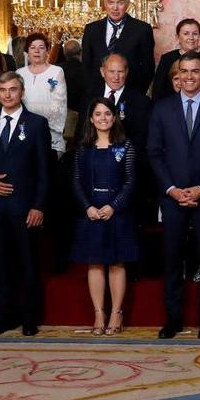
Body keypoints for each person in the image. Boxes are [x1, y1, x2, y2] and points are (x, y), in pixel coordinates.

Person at [148, 52, 200, 340]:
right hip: (172, 197)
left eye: (194, 71)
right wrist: (172, 190)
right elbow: (154, 154)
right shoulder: (161, 109)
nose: (189, 77)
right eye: (184, 72)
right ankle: (173, 320)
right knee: (173, 261)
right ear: (178, 75)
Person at [0, 72, 51, 336]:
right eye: (2, 89)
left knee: (26, 262)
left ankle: (29, 318)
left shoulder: (37, 124)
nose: (7, 94)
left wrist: (39, 206)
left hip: (25, 208)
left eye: (12, 89)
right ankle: (4, 316)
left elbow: (45, 171)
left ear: (21, 91)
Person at [70, 98, 139, 336]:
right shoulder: (82, 147)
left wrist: (114, 205)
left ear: (114, 117)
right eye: (98, 114)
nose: (103, 118)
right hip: (91, 213)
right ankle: (99, 312)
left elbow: (131, 181)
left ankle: (116, 313)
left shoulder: (125, 145)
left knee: (116, 263)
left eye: (107, 114)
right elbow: (76, 182)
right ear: (91, 119)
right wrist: (87, 207)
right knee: (95, 263)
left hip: (116, 212)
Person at [81, 0, 155, 94]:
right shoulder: (91, 29)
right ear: (104, 3)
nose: (115, 8)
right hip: (97, 96)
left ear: (128, 3)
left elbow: (148, 68)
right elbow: (86, 66)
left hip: (131, 95)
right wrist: (92, 92)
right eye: (110, 2)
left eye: (120, 2)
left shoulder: (142, 29)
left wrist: (137, 95)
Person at [16, 33, 68, 158]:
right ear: (27, 51)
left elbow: (59, 104)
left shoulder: (56, 71)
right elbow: (16, 103)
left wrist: (41, 126)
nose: (37, 51)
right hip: (24, 130)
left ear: (47, 50)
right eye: (32, 47)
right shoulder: (19, 73)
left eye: (41, 47)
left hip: (49, 131)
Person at [152, 18, 200, 100]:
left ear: (199, 35)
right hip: (175, 106)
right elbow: (158, 91)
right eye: (186, 34)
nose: (191, 37)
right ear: (178, 37)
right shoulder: (167, 58)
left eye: (195, 34)